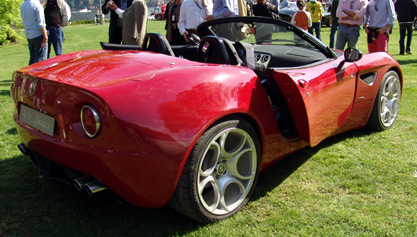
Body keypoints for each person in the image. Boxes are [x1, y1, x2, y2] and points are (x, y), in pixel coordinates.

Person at [20, 0, 48, 65]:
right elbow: (41, 23)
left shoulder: (23, 5)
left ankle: (30, 74)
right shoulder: (37, 5)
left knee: (33, 58)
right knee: (41, 60)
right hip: (38, 34)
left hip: (29, 34)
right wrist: (45, 36)